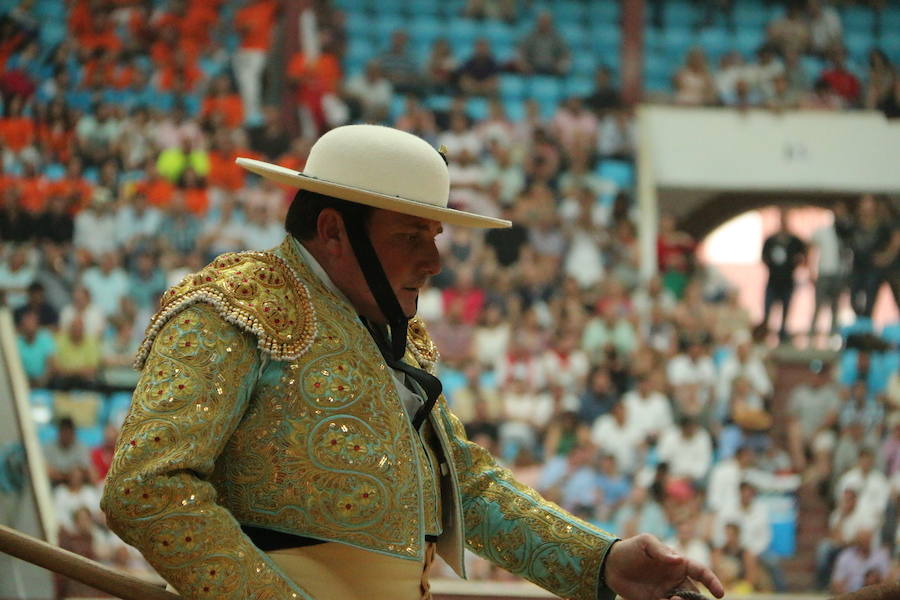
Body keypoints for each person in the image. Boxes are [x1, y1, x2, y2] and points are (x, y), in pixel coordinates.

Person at [101, 125, 723, 600]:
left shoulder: (398, 333)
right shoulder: (235, 304)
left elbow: (467, 486)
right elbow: (146, 485)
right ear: (334, 230)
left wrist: (603, 560)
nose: (434, 260)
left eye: (435, 236)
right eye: (409, 236)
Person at [760, 209, 806, 343]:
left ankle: (782, 335)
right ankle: (764, 335)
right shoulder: (771, 240)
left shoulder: (795, 241)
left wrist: (799, 262)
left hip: (788, 281)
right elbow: (764, 257)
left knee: (786, 310)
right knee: (768, 310)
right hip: (773, 280)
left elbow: (804, 252)